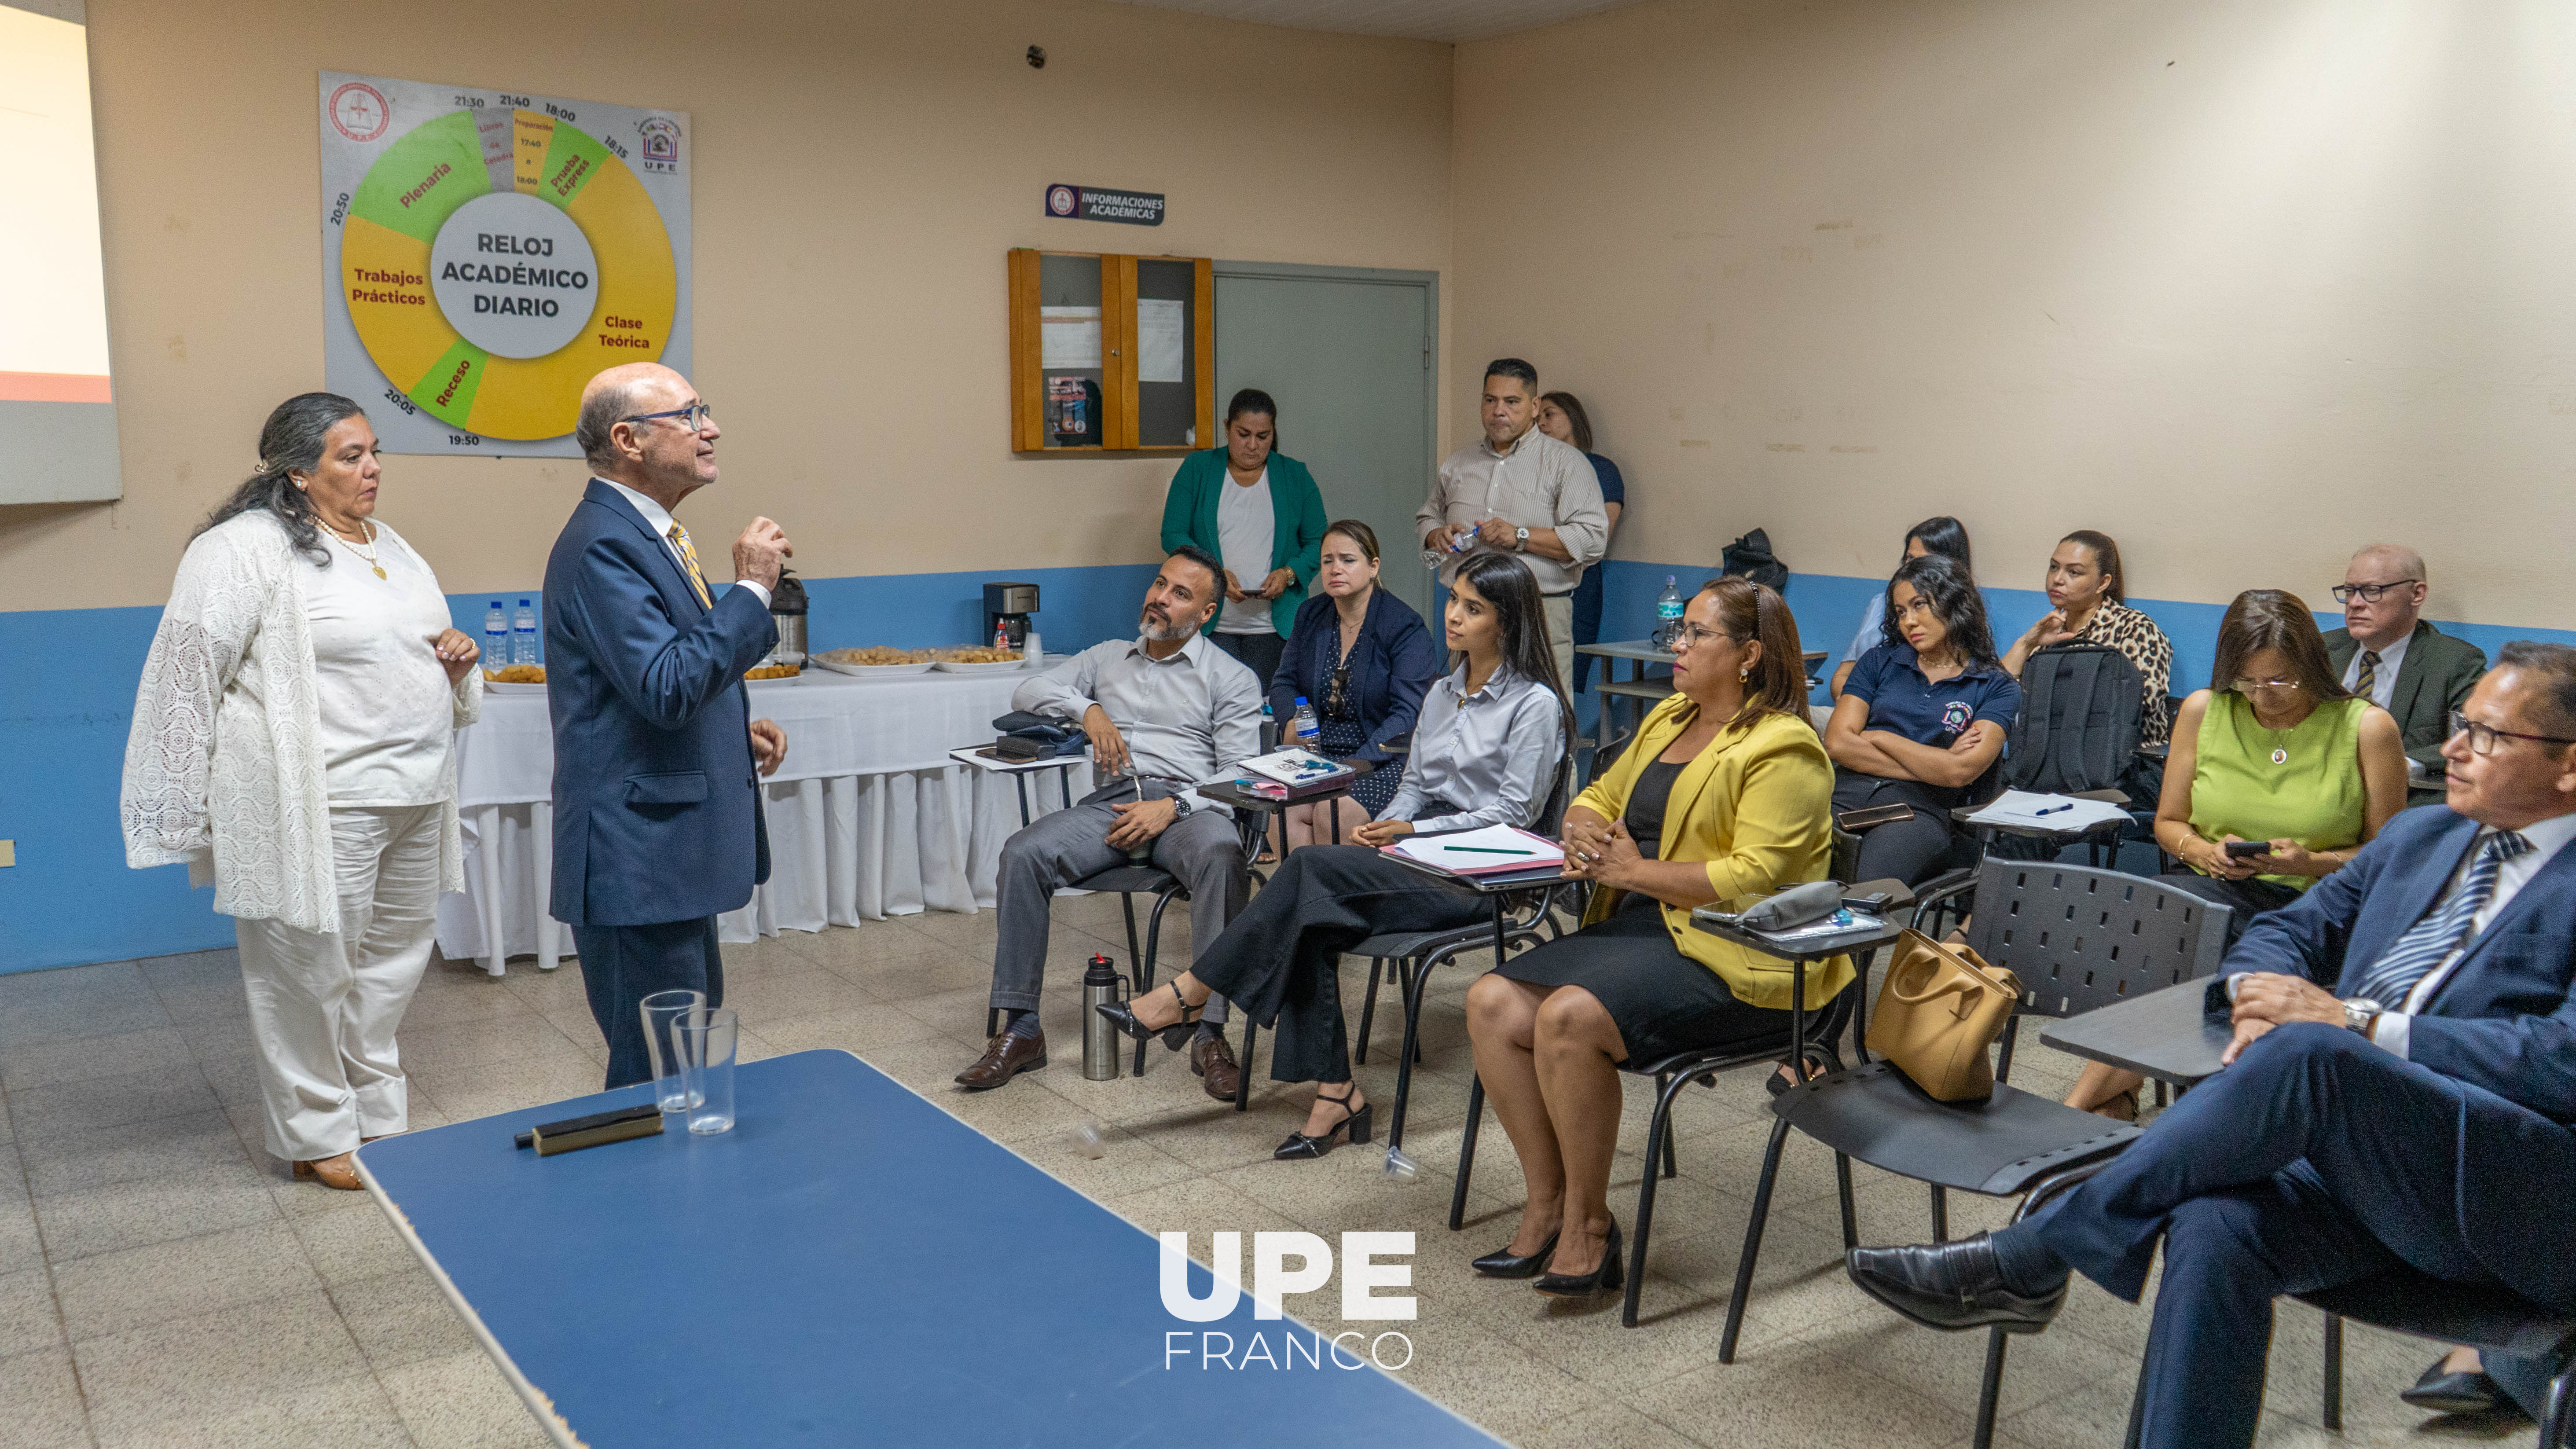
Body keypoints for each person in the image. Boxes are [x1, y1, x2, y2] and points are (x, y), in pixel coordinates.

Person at [1845, 644, 2576, 1449]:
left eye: (2488, 735)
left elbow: (2560, 1056)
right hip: (2366, 1170)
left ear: (2567, 766)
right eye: (2458, 724)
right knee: (2212, 1221)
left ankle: (2034, 1252)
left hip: (2516, 1196)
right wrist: (2260, 1008)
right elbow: (2284, 929)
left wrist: (2353, 1024)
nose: (2452, 749)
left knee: (2316, 1054)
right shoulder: (2420, 835)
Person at [121, 393, 482, 1190]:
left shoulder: (394, 547)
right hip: (318, 802)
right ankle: (319, 1133)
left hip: (415, 791)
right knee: (306, 971)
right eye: (351, 456)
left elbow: (421, 656)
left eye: (375, 450)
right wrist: (181, 803)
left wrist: (458, 665)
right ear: (297, 471)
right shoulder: (243, 549)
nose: (373, 467)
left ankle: (376, 1111)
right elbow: (187, 675)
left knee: (390, 963)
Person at [1097, 553, 1568, 1157]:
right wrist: (1386, 820)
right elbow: (1417, 783)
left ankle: (1188, 995)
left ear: (1506, 623)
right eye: (1453, 599)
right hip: (1415, 854)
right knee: (1308, 920)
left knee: (1305, 874)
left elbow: (1514, 814)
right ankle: (1335, 1094)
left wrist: (1413, 833)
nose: (1452, 615)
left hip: (1478, 875)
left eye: (1472, 608)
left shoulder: (1534, 704)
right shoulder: (1443, 691)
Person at [1459, 577, 1844, 1296]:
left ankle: (1586, 1224)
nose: (1678, 644)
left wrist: (1635, 869)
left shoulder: (1783, 747)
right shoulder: (1671, 715)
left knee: (1566, 1016)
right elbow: (1597, 795)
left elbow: (1754, 873)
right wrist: (1578, 828)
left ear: (1747, 654)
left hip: (1744, 955)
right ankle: (1543, 1202)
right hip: (1646, 928)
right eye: (1682, 631)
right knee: (1489, 1000)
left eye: (1697, 633)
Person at [2062, 590, 2406, 1120]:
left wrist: (2309, 863)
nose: (2263, 695)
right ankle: (2108, 1101)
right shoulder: (2206, 710)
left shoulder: (2365, 727)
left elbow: (2390, 859)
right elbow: (2168, 823)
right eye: (2248, 680)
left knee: (2174, 934)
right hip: (2209, 886)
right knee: (2169, 921)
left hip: (2312, 910)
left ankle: (2078, 1112)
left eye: (2279, 680)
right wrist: (2207, 850)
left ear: (2311, 664)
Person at [545, 363, 791, 1090]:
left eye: (703, 411)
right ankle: (638, 1200)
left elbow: (648, 679)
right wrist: (750, 589)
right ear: (627, 440)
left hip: (666, 855)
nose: (709, 427)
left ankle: (676, 1194)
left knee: (682, 1050)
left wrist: (724, 730)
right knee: (656, 1068)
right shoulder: (603, 542)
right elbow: (666, 686)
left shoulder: (648, 535)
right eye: (688, 415)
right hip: (637, 857)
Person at [958, 548, 1264, 1102]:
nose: (1160, 599)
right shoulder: (1106, 656)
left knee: (1224, 853)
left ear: (1207, 613)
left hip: (1187, 808)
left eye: (1180, 594)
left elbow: (1241, 774)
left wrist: (1172, 808)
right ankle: (1022, 1029)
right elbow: (1025, 692)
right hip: (1114, 804)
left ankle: (1210, 1032)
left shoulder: (1231, 677)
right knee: (1023, 852)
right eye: (1159, 583)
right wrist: (1087, 710)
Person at [1824, 554, 2019, 884]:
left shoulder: (1997, 686)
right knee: (1785, 864)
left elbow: (1960, 772)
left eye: (1919, 605)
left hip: (1920, 814)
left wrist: (1880, 737)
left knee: (1867, 888)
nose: (1909, 622)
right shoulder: (1879, 661)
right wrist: (1936, 766)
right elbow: (1838, 742)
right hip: (1844, 795)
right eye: (1901, 612)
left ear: (1954, 603)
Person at [1417, 359, 1608, 694]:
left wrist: (1520, 537)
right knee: (1466, 716)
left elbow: (1592, 539)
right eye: (1490, 400)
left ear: (1535, 406)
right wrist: (1437, 534)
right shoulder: (1459, 463)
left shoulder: (1566, 463)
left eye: (1512, 402)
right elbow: (1429, 516)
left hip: (1538, 613)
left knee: (1542, 723)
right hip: (1468, 613)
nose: (1498, 411)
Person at [1266, 520, 1439, 847]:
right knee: (1283, 812)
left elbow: (1407, 715)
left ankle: (1337, 897)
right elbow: (1284, 682)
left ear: (1373, 567)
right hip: (1317, 755)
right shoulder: (1310, 614)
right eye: (1328, 560)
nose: (1335, 569)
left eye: (1348, 560)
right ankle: (1308, 898)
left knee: (1332, 812)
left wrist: (1351, 767)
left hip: (1380, 759)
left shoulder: (1404, 627)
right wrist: (1291, 721)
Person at [1158, 388, 1328, 686]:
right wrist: (1214, 573)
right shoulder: (1197, 469)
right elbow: (1173, 534)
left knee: (1268, 712)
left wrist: (1289, 574)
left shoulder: (1295, 476)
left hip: (1275, 628)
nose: (1253, 445)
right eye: (1243, 434)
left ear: (1273, 433)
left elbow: (1320, 542)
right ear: (1227, 427)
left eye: (1263, 437)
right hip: (1209, 623)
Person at [2323, 544, 2488, 784]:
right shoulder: (2323, 649)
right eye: (2350, 591)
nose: (2355, 604)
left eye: (2372, 591)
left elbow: (2475, 738)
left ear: (2417, 594)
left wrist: (2396, 767)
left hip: (2400, 799)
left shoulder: (2455, 662)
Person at [1998, 529, 2175, 747]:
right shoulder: (2050, 631)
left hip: (2122, 762)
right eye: (2054, 567)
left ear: (2103, 583)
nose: (2057, 579)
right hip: (2052, 758)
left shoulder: (2136, 628)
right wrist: (2027, 643)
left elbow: (2143, 701)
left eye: (2074, 572)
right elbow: (1998, 692)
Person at [1537, 392, 1625, 693]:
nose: (1542, 423)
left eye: (1549, 415)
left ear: (1573, 418)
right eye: (1537, 419)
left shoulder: (1602, 470)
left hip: (1579, 584)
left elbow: (1596, 540)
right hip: (1531, 579)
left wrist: (1551, 543)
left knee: (1563, 680)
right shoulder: (1535, 468)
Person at [1829, 517, 1972, 701]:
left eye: (1924, 561)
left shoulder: (1959, 616)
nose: (1913, 569)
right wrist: (1855, 709)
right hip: (1855, 706)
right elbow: (1843, 674)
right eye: (1909, 559)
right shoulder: (1882, 603)